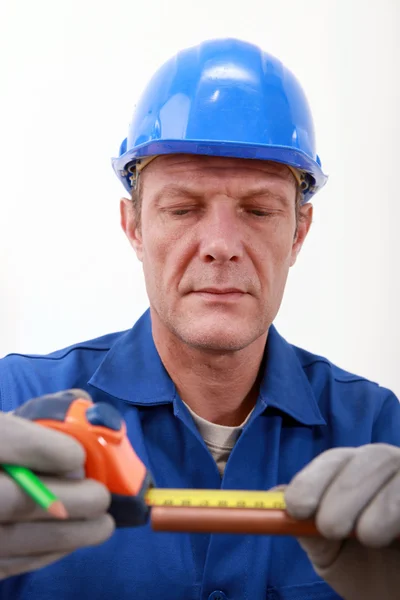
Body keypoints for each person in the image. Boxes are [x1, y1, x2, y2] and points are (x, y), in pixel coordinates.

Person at [0, 38, 399, 600]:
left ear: (299, 233)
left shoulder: (378, 432)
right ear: (135, 227)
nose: (220, 245)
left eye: (258, 211)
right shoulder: (14, 409)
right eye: (183, 208)